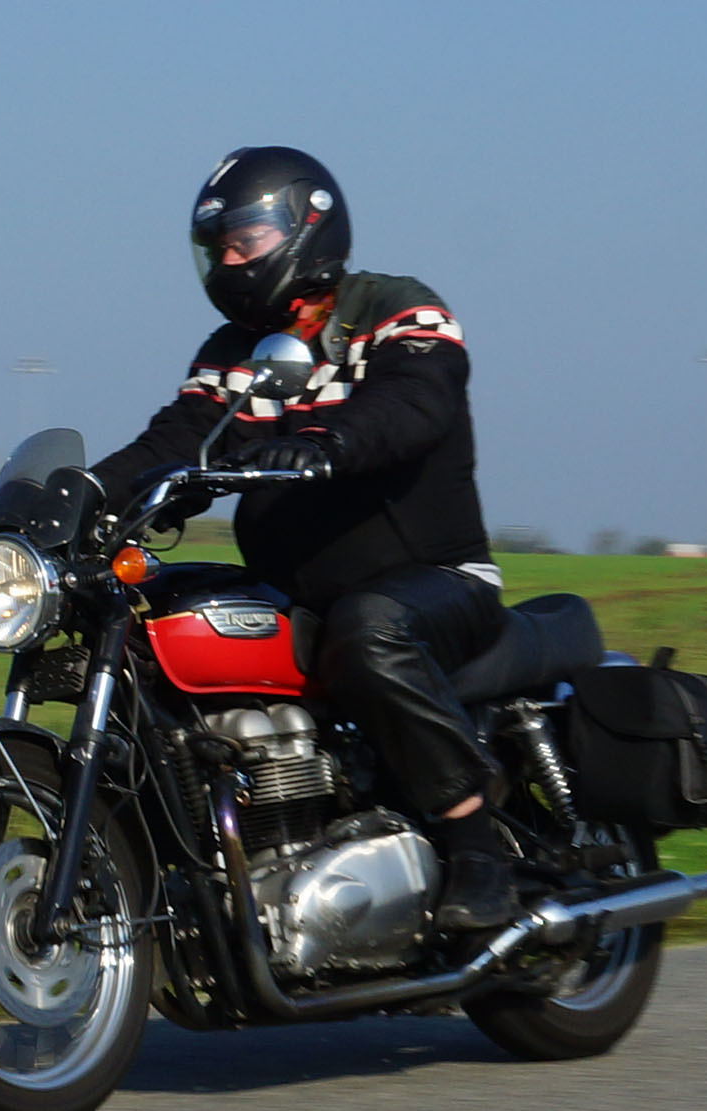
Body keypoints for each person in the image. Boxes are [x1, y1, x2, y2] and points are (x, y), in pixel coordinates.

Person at [92, 146, 515, 932]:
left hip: (437, 581)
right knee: (165, 617)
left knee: (370, 629)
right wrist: (79, 494)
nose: (229, 260)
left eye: (244, 240)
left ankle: (476, 846)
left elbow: (415, 402)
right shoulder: (232, 353)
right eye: (218, 247)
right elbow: (178, 437)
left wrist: (326, 440)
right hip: (300, 594)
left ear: (307, 226)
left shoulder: (396, 309)